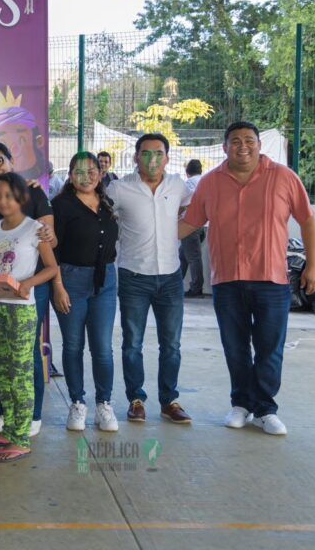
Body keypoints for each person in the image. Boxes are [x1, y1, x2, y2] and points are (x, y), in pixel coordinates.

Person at [179, 122, 315, 436]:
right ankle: (241, 404)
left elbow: (308, 221)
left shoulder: (284, 178)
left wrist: (313, 266)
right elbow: (190, 223)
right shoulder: (210, 183)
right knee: (235, 346)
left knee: (270, 347)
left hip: (271, 280)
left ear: (259, 145)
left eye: (249, 141)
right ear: (224, 147)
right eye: (235, 141)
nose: (242, 147)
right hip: (227, 280)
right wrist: (144, 234)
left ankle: (265, 409)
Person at [108, 134, 193, 426]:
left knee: (172, 344)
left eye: (158, 153)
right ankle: (136, 400)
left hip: (170, 277)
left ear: (168, 158)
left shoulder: (179, 186)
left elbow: (194, 210)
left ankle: (169, 400)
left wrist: (175, 233)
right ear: (135, 157)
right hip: (133, 276)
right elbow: (102, 215)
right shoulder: (119, 189)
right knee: (132, 343)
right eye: (145, 153)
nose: (152, 159)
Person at [0, 144, 55, 438]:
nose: (3, 201)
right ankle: (8, 421)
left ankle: (24, 428)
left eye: (9, 196)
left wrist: (28, 284)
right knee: (4, 364)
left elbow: (51, 265)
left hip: (23, 305)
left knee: (23, 366)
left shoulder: (34, 219)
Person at [51, 152, 120, 433]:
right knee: (73, 345)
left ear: (100, 173)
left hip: (106, 280)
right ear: (70, 175)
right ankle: (77, 403)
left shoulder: (107, 202)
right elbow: (51, 250)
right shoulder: (61, 205)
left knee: (102, 347)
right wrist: (58, 287)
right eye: (79, 170)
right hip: (71, 280)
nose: (87, 175)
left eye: (92, 169)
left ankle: (104, 403)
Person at [179, 159, 206, 298]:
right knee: (183, 256)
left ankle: (196, 287)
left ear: (187, 171)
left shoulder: (189, 183)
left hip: (189, 224)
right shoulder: (204, 181)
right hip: (201, 225)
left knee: (193, 258)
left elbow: (184, 204)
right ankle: (177, 284)